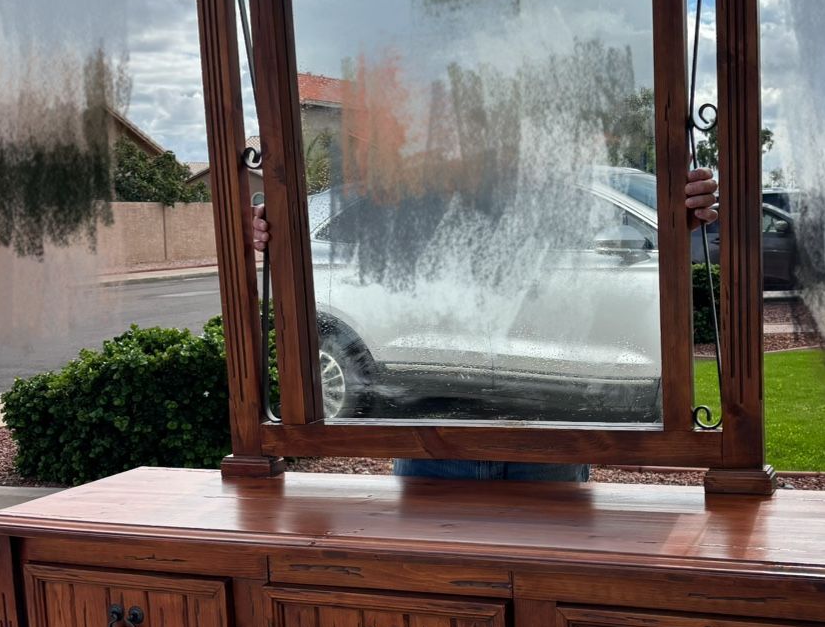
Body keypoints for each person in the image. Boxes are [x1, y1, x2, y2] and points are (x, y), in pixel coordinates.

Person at [249, 167, 719, 481]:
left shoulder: (547, 190)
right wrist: (276, 232)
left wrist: (679, 220)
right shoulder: (412, 193)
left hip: (550, 445)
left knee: (545, 581)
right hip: (430, 446)